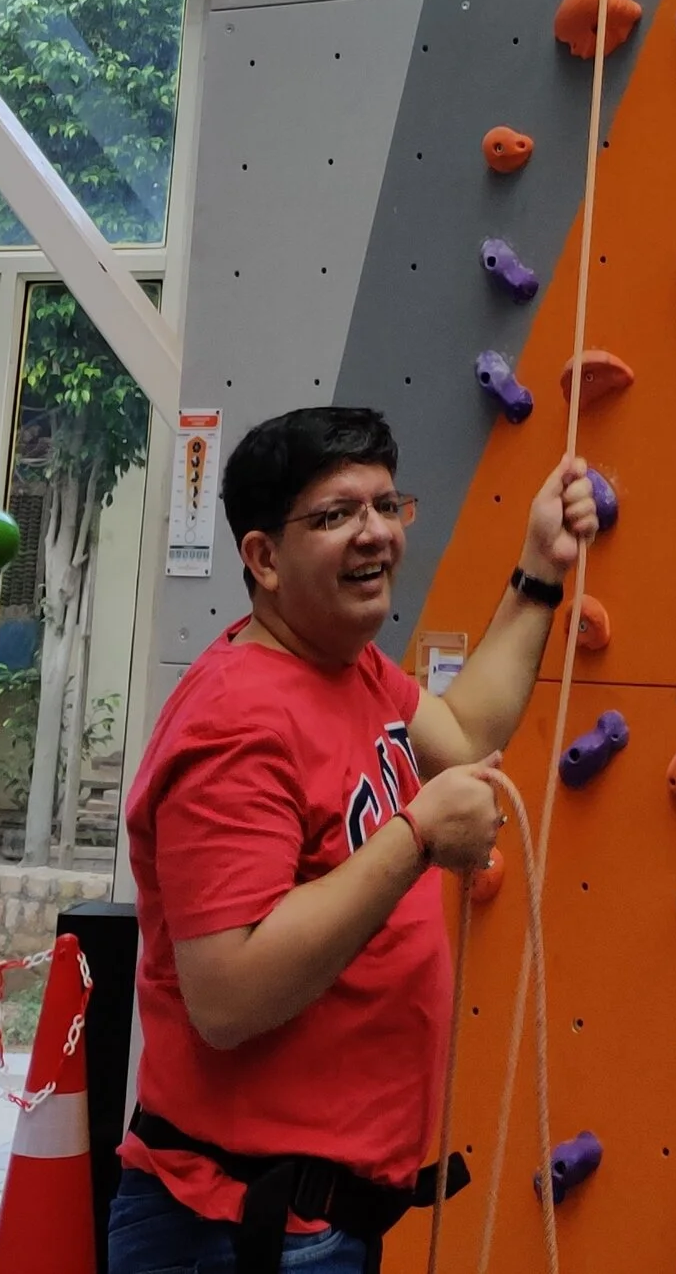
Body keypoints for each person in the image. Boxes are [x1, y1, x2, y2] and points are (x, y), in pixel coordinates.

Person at [113, 405, 601, 1274]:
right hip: (236, 1227)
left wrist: (539, 569)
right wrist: (415, 836)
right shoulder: (237, 723)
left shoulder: (347, 666)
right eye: (337, 514)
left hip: (313, 1221)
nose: (375, 531)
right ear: (263, 558)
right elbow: (226, 996)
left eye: (385, 504)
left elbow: (460, 723)